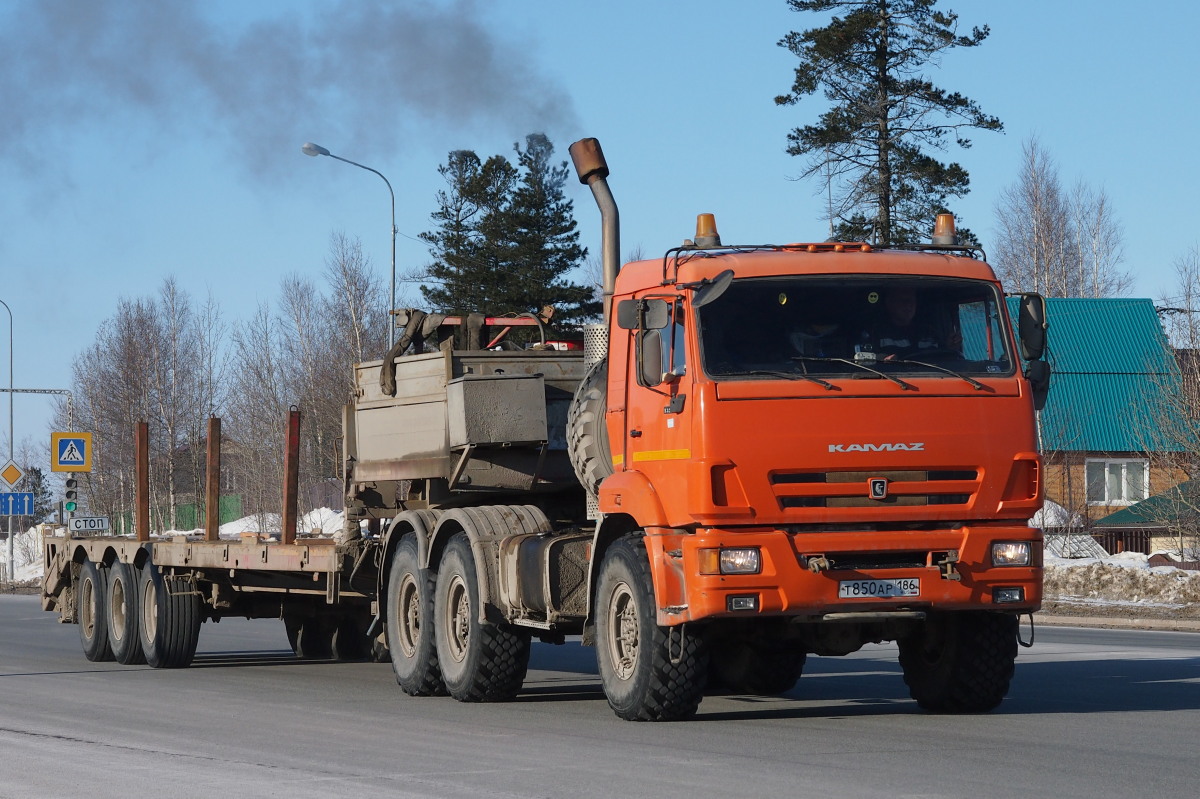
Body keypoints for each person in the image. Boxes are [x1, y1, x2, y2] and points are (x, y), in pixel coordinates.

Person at [861, 287, 942, 359]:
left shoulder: (928, 332)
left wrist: (950, 346)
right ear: (889, 303)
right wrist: (882, 361)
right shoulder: (875, 333)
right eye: (903, 300)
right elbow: (865, 361)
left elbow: (943, 358)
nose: (908, 304)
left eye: (912, 300)